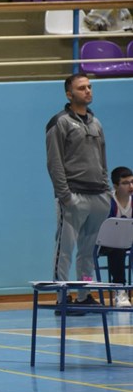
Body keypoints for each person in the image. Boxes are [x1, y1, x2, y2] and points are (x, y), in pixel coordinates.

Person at [46, 73, 111, 312]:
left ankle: (84, 294)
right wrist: (64, 195)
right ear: (69, 94)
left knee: (87, 251)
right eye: (82, 88)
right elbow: (54, 162)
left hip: (98, 196)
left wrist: (107, 190)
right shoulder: (59, 122)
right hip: (73, 195)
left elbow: (102, 160)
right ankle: (63, 296)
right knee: (65, 249)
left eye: (90, 87)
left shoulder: (96, 123)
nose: (88, 91)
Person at [100, 166, 132, 307]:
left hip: (129, 242)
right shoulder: (107, 202)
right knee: (118, 248)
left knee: (122, 245)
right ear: (116, 186)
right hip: (107, 244)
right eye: (125, 183)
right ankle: (120, 291)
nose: (130, 186)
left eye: (132, 182)